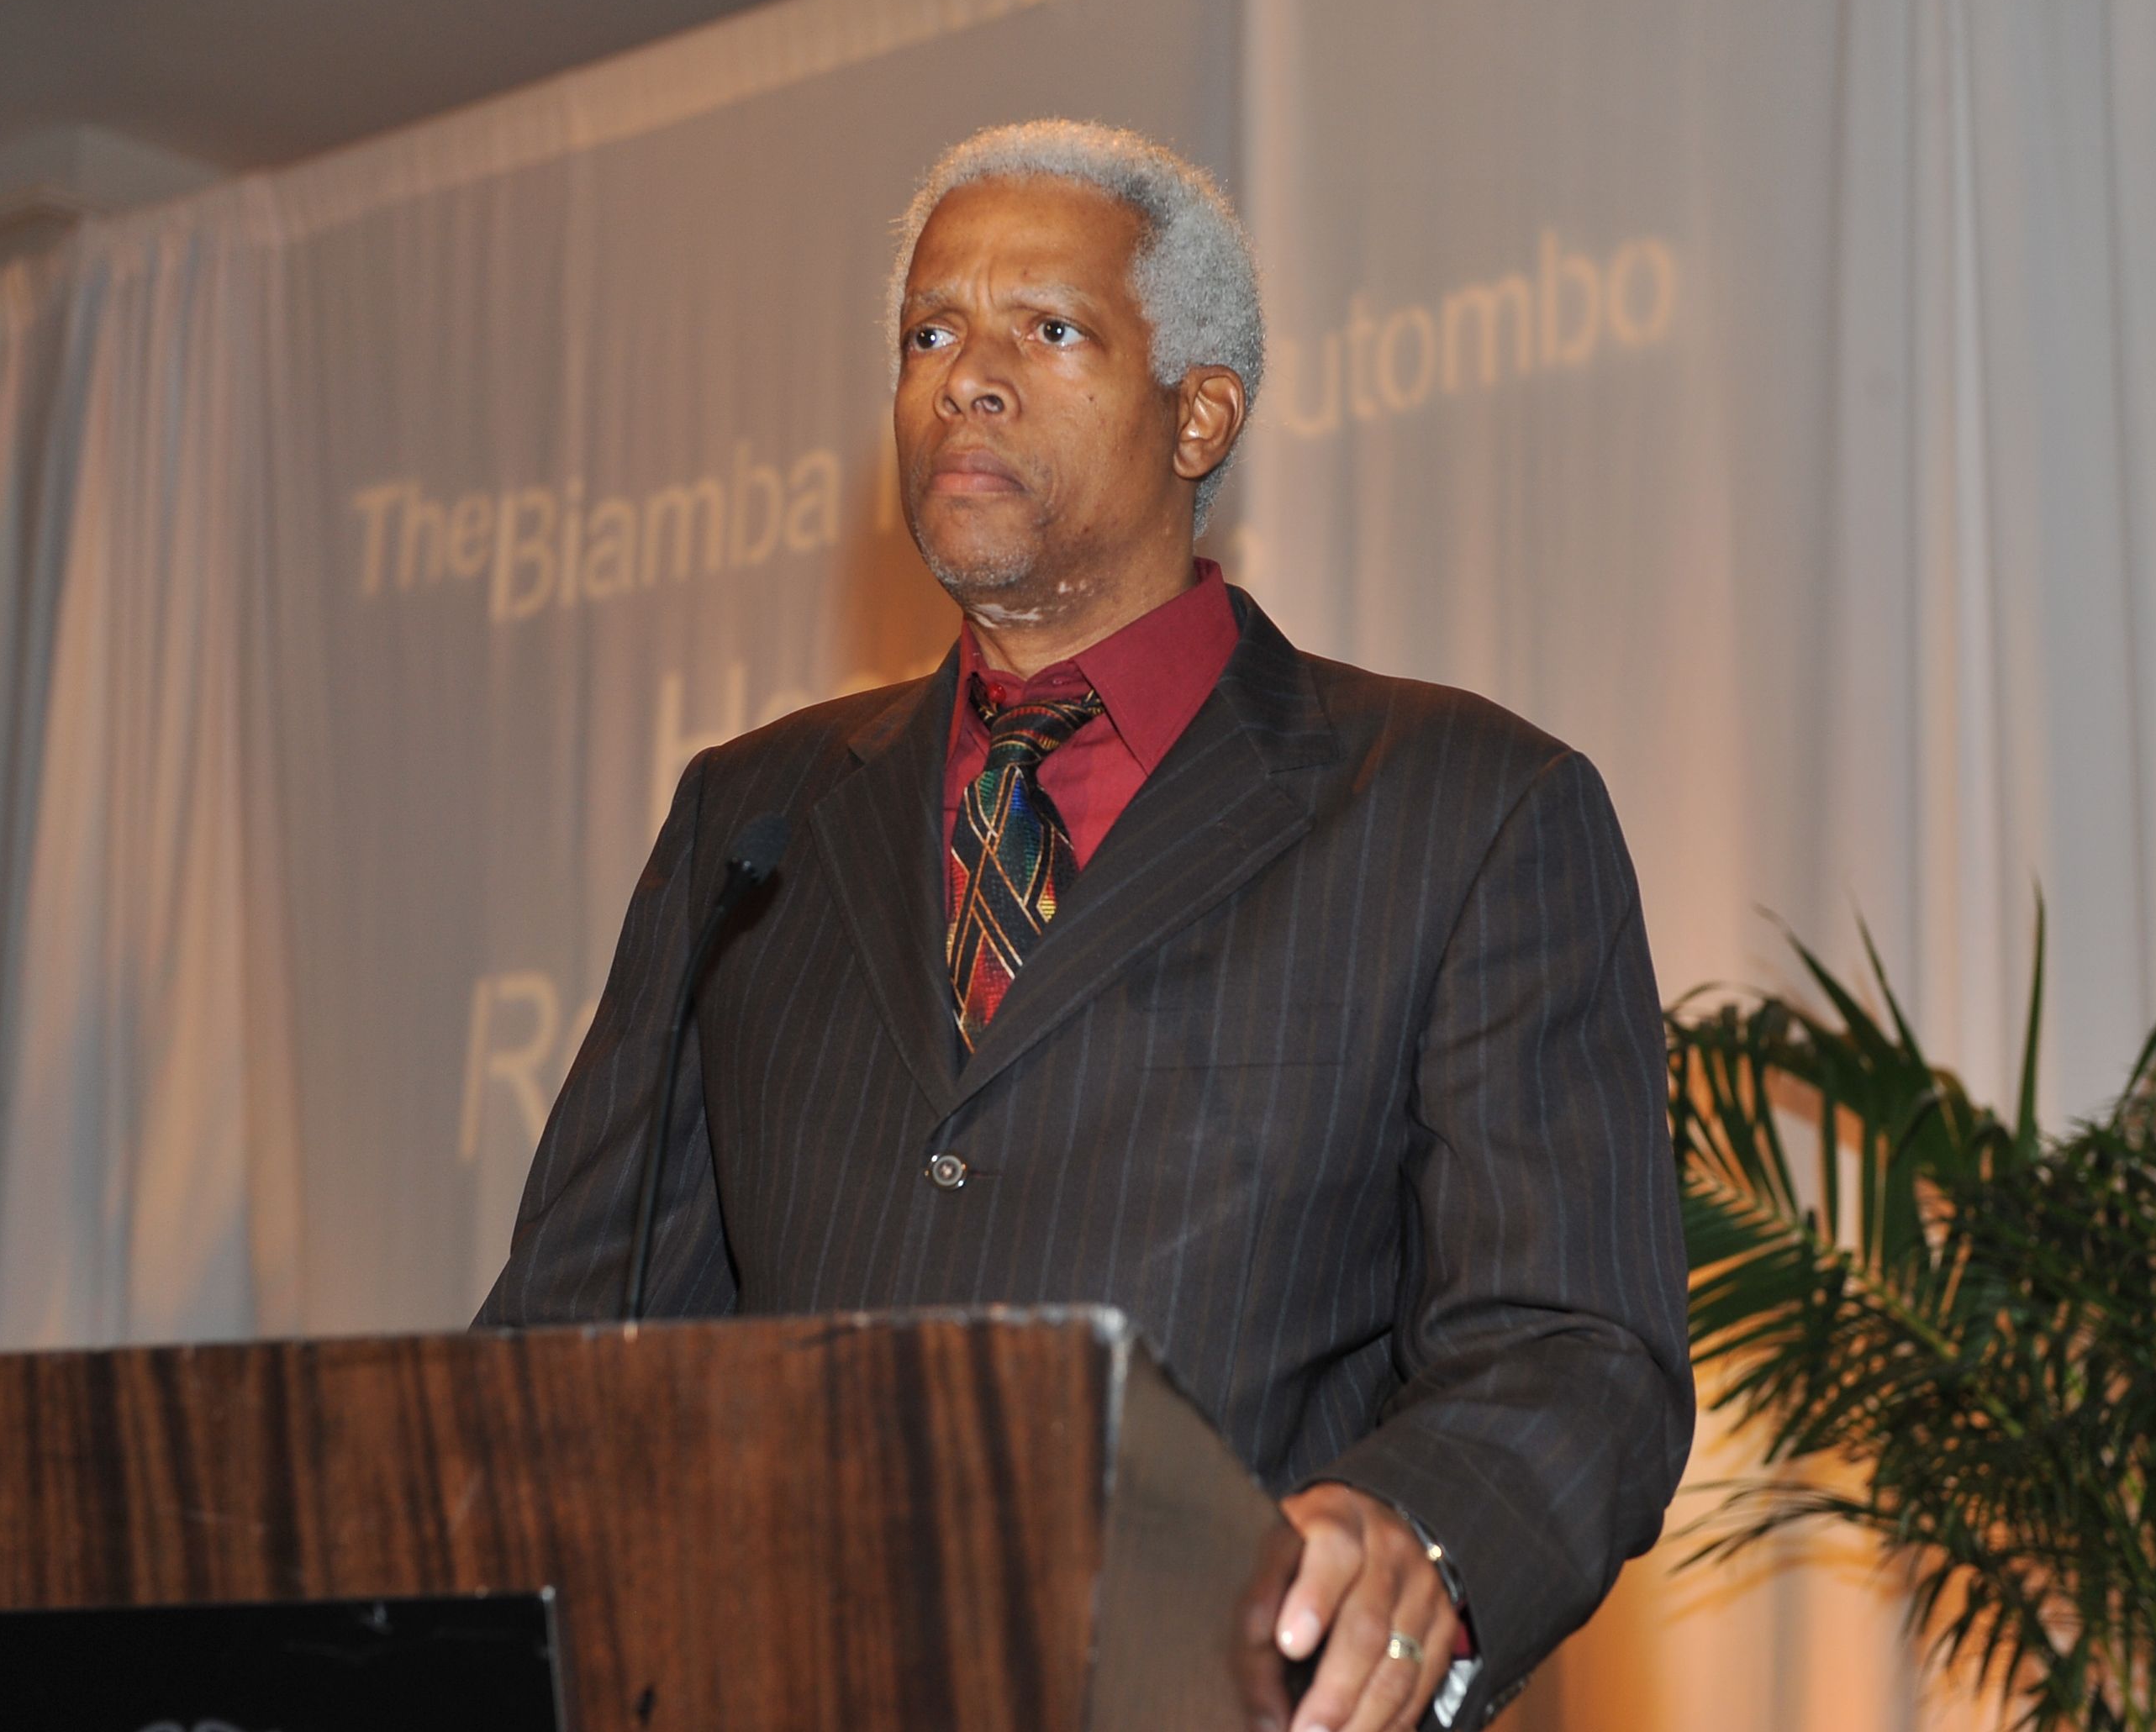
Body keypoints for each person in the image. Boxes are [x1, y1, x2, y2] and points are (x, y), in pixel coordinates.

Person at [477, 120, 1692, 1731]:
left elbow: (1574, 1344)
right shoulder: (752, 815)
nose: (965, 382)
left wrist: (1420, 1531)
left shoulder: (1463, 808)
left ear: (1201, 414)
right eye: (929, 334)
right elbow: (570, 1344)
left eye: (1047, 331)